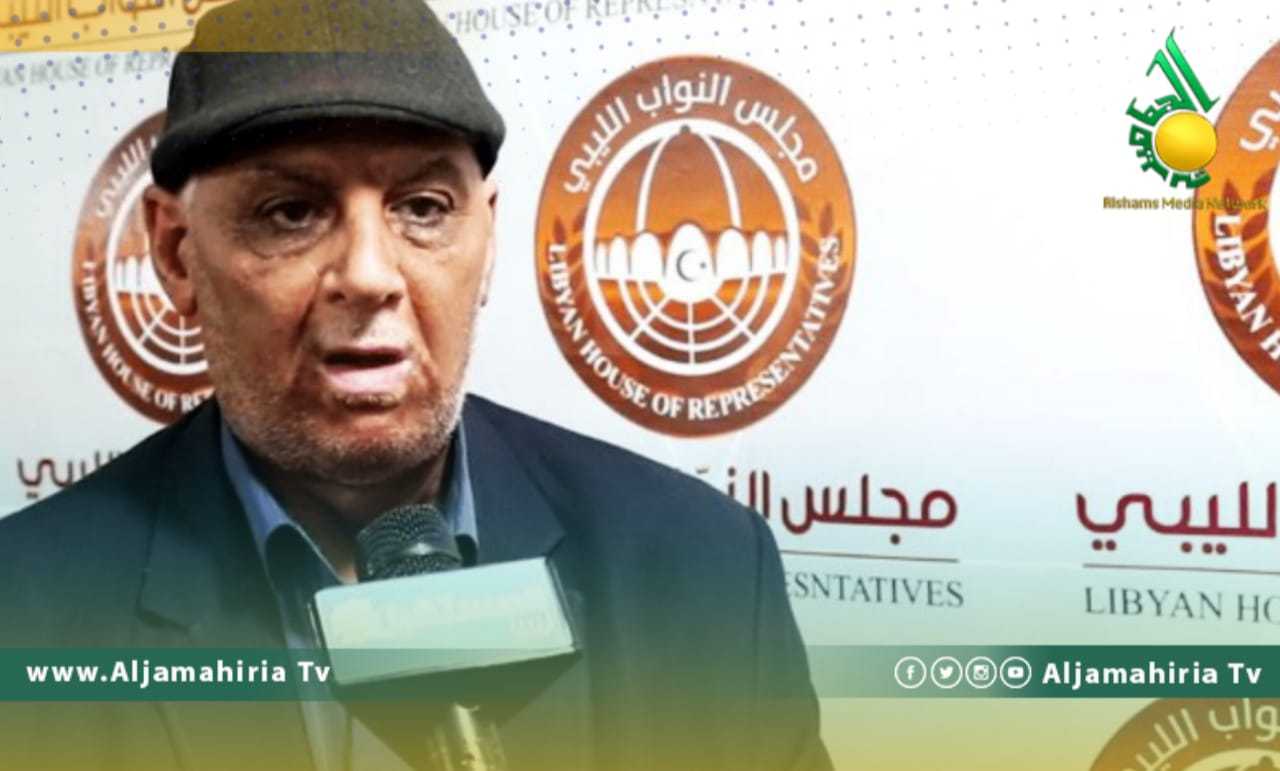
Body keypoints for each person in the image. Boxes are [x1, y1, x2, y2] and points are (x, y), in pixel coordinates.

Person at [0, 1, 832, 769]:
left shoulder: (706, 574)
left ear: (488, 236)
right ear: (176, 253)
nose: (369, 275)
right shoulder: (24, 610)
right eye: (291, 211)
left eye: (424, 207)